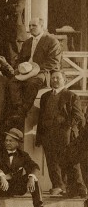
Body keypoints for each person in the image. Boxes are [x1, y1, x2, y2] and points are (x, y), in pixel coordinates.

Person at [37, 70, 86, 198]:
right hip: (48, 135)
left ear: (65, 80)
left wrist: (67, 124)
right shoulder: (45, 97)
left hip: (66, 135)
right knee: (52, 162)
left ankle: (79, 188)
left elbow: (79, 117)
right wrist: (40, 137)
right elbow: (41, 118)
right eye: (53, 78)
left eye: (58, 78)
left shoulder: (71, 96)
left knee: (71, 162)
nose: (55, 80)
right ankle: (58, 186)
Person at [0, 127, 47, 207]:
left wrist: (31, 177)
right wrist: (1, 176)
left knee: (34, 178)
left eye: (10, 141)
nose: (7, 143)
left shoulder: (23, 155)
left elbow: (35, 166)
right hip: (1, 187)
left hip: (17, 187)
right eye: (6, 140)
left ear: (17, 143)